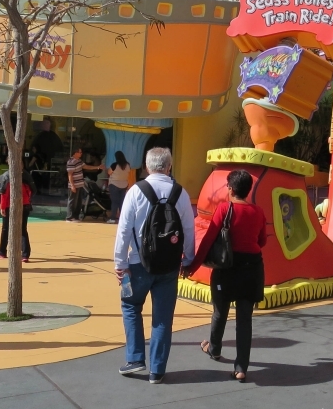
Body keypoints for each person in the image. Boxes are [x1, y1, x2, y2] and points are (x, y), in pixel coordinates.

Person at [113, 147, 195, 384]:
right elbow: (189, 230)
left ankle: (135, 358)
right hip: (169, 266)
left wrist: (120, 263)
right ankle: (157, 370)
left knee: (130, 305)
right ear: (169, 166)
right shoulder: (180, 193)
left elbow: (124, 229)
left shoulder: (135, 191)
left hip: (138, 264)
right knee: (162, 318)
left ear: (147, 166)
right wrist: (187, 259)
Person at [184, 169, 267, 382]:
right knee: (244, 320)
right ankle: (241, 368)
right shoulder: (258, 212)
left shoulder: (224, 209)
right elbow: (262, 241)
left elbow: (208, 241)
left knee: (220, 312)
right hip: (252, 269)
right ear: (248, 190)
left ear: (230, 188)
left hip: (227, 269)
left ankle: (214, 348)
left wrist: (192, 267)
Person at [0, 168, 36, 262]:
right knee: (23, 230)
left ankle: (2, 251)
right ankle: (25, 254)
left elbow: (4, 193)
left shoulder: (8, 177)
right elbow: (31, 191)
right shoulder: (26, 177)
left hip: (10, 206)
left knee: (6, 228)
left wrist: (2, 207)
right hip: (25, 205)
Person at [65, 147, 102, 222]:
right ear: (75, 153)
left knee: (79, 201)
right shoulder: (71, 162)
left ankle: (76, 216)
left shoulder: (79, 161)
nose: (81, 154)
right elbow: (70, 174)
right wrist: (72, 185)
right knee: (72, 201)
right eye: (80, 152)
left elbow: (86, 166)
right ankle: (69, 217)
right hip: (74, 185)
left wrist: (97, 167)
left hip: (80, 184)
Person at [107, 150, 131, 224]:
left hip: (114, 184)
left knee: (114, 202)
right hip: (124, 185)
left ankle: (112, 218)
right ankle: (123, 219)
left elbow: (109, 172)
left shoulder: (114, 165)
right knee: (122, 202)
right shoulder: (128, 165)